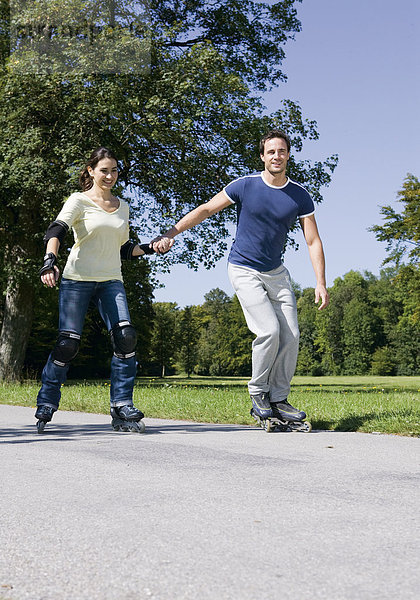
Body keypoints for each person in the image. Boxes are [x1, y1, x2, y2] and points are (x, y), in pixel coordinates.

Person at [152, 129, 329, 427]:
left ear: (288, 155)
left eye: (282, 151)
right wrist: (171, 233)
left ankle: (279, 399)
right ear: (262, 156)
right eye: (271, 151)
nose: (277, 156)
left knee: (292, 335)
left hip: (277, 274)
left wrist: (320, 281)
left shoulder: (299, 195)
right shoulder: (244, 186)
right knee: (269, 331)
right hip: (244, 268)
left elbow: (313, 240)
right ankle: (259, 393)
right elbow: (206, 209)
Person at [35, 147, 154, 433]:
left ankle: (122, 405)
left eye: (114, 170)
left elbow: (124, 249)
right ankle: (47, 401)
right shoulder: (79, 200)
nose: (110, 175)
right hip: (77, 279)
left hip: (111, 280)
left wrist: (151, 247)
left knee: (125, 337)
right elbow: (56, 230)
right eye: (104, 170)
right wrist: (49, 260)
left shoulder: (122, 206)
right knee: (68, 344)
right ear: (91, 171)